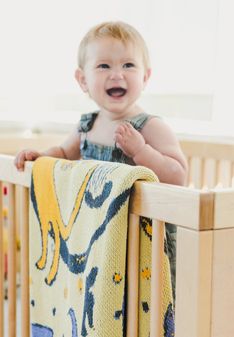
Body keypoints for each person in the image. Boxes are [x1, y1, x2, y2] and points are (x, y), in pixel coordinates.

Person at [14, 21, 188, 299]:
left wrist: (141, 150)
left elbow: (178, 175)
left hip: (143, 239)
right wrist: (41, 157)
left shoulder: (150, 126)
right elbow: (63, 153)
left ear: (145, 77)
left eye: (129, 65)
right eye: (104, 66)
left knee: (143, 299)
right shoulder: (87, 125)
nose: (117, 74)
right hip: (99, 238)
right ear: (83, 80)